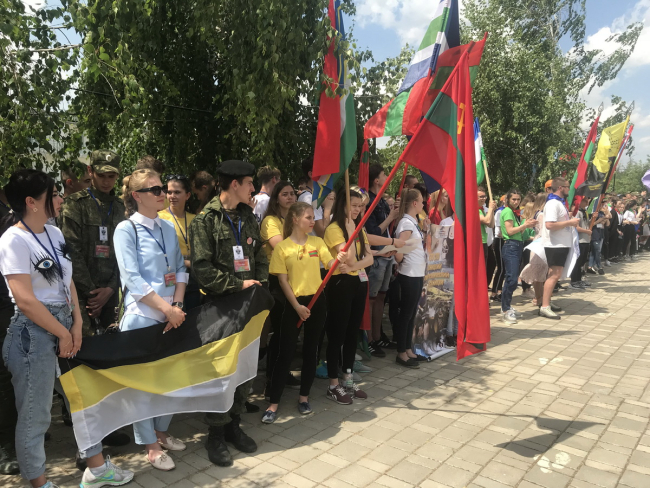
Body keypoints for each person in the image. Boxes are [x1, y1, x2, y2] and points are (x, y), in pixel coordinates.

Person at [0, 169, 134, 488]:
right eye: (54, 194)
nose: (61, 199)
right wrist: (62, 333)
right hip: (32, 334)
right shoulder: (13, 240)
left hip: (66, 325)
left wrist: (76, 323)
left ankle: (96, 469)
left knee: (83, 399)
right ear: (32, 202)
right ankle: (40, 483)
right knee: (35, 415)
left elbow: (67, 280)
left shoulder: (54, 233)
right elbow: (25, 300)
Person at [189, 160, 268, 468]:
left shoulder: (248, 216)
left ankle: (235, 424)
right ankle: (216, 434)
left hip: (249, 303)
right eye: (249, 183)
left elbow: (260, 254)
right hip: (220, 307)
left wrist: (258, 285)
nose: (253, 188)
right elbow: (202, 269)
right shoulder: (205, 221)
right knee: (220, 372)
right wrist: (238, 285)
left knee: (244, 366)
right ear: (234, 184)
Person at [114, 169, 188, 471]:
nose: (163, 193)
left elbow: (180, 268)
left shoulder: (167, 227)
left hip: (172, 316)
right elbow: (132, 278)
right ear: (137, 196)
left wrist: (177, 305)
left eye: (163, 188)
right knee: (143, 386)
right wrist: (166, 309)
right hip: (143, 317)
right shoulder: (126, 230)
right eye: (155, 189)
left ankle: (161, 431)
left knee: (171, 380)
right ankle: (149, 444)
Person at [263, 202, 345, 423]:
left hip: (317, 301)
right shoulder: (282, 248)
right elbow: (282, 281)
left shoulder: (317, 242)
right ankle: (273, 403)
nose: (312, 221)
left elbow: (330, 264)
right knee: (285, 352)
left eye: (312, 217)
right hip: (294, 303)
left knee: (311, 350)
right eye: (308, 217)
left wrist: (339, 260)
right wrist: (297, 307)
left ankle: (304, 398)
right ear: (295, 219)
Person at [58, 150, 125, 338]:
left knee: (112, 345)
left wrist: (111, 288)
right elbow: (71, 251)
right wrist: (92, 294)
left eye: (111, 176)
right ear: (90, 171)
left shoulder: (120, 208)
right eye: (101, 175)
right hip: (81, 294)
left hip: (110, 294)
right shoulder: (74, 204)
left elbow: (125, 253)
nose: (106, 181)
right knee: (83, 344)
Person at [323, 188, 373, 402]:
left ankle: (348, 379)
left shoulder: (359, 228)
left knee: (353, 332)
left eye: (360, 206)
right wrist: (351, 232)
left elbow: (369, 259)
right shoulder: (334, 229)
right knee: (338, 333)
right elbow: (350, 257)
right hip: (340, 284)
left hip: (358, 282)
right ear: (343, 205)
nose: (358, 209)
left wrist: (353, 266)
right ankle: (333, 384)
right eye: (354, 205)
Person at [259, 181, 300, 390]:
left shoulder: (295, 219)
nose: (290, 197)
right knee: (280, 331)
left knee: (291, 331)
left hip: (297, 277)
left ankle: (283, 372)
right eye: (285, 194)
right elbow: (280, 246)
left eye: (292, 193)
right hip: (276, 279)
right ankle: (271, 379)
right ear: (276, 198)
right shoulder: (270, 221)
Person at [365, 163, 400, 357]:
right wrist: (390, 217)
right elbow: (373, 232)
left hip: (387, 254)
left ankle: (378, 336)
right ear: (376, 180)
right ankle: (368, 339)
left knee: (381, 297)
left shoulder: (381, 201)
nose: (388, 177)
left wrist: (394, 214)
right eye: (384, 174)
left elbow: (387, 228)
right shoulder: (369, 201)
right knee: (371, 298)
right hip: (377, 255)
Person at [394, 188, 428, 367]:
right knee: (406, 314)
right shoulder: (406, 223)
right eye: (421, 201)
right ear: (414, 203)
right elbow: (399, 248)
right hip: (409, 273)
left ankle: (408, 348)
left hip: (416, 272)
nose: (423, 204)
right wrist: (399, 260)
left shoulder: (412, 222)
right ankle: (401, 352)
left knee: (411, 313)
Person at [158, 175, 201, 311]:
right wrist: (186, 262)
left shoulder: (195, 219)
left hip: (194, 276)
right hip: (171, 276)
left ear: (187, 195)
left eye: (177, 192)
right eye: (169, 192)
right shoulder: (159, 218)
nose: (172, 196)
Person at [540, 177, 579, 320]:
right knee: (554, 275)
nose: (569, 189)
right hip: (555, 244)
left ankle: (547, 302)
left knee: (554, 275)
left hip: (560, 243)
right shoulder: (553, 203)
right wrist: (570, 222)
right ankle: (545, 307)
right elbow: (549, 225)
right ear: (561, 188)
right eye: (568, 187)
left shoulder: (558, 203)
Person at [500, 189, 536, 324]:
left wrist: (527, 226)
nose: (516, 202)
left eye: (518, 199)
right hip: (511, 246)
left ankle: (506, 306)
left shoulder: (515, 212)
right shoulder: (508, 211)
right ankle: (505, 309)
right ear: (508, 200)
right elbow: (510, 231)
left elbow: (520, 233)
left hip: (516, 245)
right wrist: (525, 225)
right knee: (511, 279)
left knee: (513, 278)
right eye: (513, 199)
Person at [297, 157, 332, 237]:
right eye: (323, 171)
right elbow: (322, 233)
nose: (327, 175)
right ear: (311, 174)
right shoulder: (310, 199)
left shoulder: (310, 196)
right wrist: (328, 208)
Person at [570, 198, 593, 289]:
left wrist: (594, 218)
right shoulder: (577, 212)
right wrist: (587, 231)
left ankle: (579, 279)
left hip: (586, 240)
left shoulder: (585, 212)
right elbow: (576, 227)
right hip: (579, 240)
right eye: (584, 200)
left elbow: (588, 224)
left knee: (582, 262)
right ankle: (573, 281)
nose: (587, 202)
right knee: (577, 262)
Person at [587, 203, 610, 275]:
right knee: (597, 251)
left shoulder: (602, 213)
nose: (602, 207)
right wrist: (599, 220)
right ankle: (599, 266)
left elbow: (607, 224)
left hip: (601, 234)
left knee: (594, 252)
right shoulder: (594, 214)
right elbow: (591, 224)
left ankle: (590, 266)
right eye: (601, 205)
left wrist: (606, 217)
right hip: (595, 234)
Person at [478, 187, 496, 271]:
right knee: (480, 268)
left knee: (486, 266)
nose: (484, 198)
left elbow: (491, 225)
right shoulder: (475, 209)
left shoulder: (482, 210)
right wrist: (491, 208)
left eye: (485, 196)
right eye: (481, 197)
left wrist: (491, 211)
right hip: (478, 243)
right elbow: (487, 221)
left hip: (484, 242)